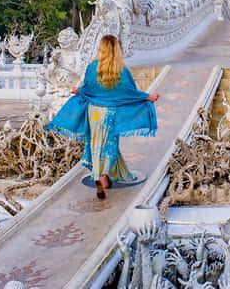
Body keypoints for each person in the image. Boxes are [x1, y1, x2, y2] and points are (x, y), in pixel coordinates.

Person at [45, 35, 159, 199]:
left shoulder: (93, 68)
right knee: (110, 144)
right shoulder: (121, 70)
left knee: (95, 142)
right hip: (110, 113)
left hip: (94, 112)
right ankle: (103, 175)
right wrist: (147, 97)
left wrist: (79, 91)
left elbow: (89, 88)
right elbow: (128, 92)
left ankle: (99, 172)